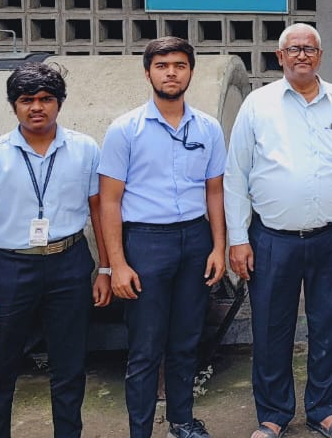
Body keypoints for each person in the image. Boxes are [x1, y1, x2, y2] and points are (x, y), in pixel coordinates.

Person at [224, 23, 332, 438]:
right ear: (280, 56)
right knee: (272, 329)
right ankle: (273, 415)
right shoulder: (258, 105)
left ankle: (324, 411)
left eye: (310, 48)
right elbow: (235, 175)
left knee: (328, 326)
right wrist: (238, 238)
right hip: (272, 239)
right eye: (294, 49)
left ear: (320, 56)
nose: (302, 55)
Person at [0, 62, 110, 438]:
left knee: (70, 365)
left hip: (69, 263)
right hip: (10, 269)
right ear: (14, 106)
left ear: (59, 103)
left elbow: (98, 212)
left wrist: (105, 270)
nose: (37, 107)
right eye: (27, 100)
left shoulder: (84, 149)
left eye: (46, 99)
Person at [98, 37, 228, 438]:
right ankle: (140, 430)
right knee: (145, 347)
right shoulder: (125, 130)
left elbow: (215, 191)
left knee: (187, 339)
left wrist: (219, 246)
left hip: (195, 240)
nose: (171, 72)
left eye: (179, 65)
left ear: (190, 71)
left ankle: (182, 422)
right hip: (146, 243)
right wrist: (116, 264)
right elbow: (109, 201)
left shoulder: (208, 127)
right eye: (161, 65)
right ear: (148, 72)